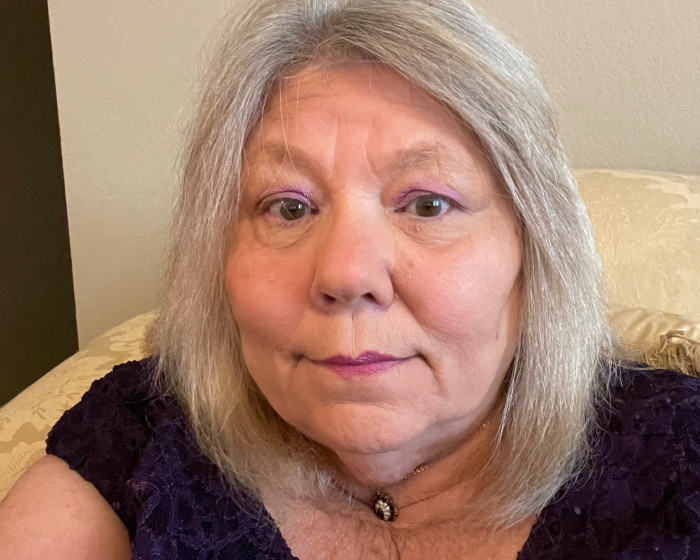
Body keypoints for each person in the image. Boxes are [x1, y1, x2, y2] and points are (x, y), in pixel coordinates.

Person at [1, 0, 698, 558]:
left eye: (427, 205)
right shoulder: (142, 433)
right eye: (288, 207)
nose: (346, 273)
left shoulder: (679, 459)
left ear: (535, 250)